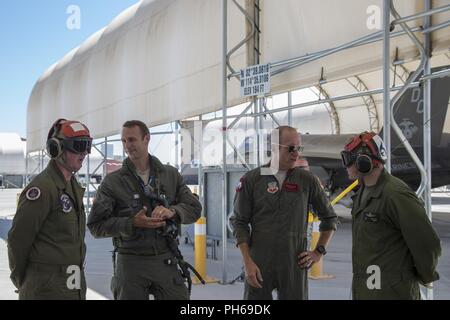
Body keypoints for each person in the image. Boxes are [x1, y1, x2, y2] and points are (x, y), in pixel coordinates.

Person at [87, 120, 201, 300]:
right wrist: (131, 223)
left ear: (146, 139)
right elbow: (95, 226)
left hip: (165, 258)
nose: (127, 146)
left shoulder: (170, 175)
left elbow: (194, 208)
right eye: (124, 141)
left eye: (132, 140)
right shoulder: (112, 182)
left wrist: (173, 211)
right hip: (130, 263)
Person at [230, 126, 338, 300]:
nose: (296, 153)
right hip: (259, 263)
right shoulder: (252, 179)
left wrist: (318, 251)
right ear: (274, 148)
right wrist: (247, 262)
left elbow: (330, 218)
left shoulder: (307, 180)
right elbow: (238, 221)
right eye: (291, 148)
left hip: (293, 264)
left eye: (298, 148)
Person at [341, 131, 442, 300]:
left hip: (392, 292)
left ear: (364, 161)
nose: (345, 166)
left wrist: (426, 275)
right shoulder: (363, 191)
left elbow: (427, 243)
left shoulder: (395, 194)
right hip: (367, 288)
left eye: (348, 159)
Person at [8, 119, 92, 300]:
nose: (85, 152)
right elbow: (18, 240)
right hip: (45, 288)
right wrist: (25, 280)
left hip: (72, 282)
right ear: (57, 149)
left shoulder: (72, 186)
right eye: (79, 146)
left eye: (88, 145)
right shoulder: (42, 189)